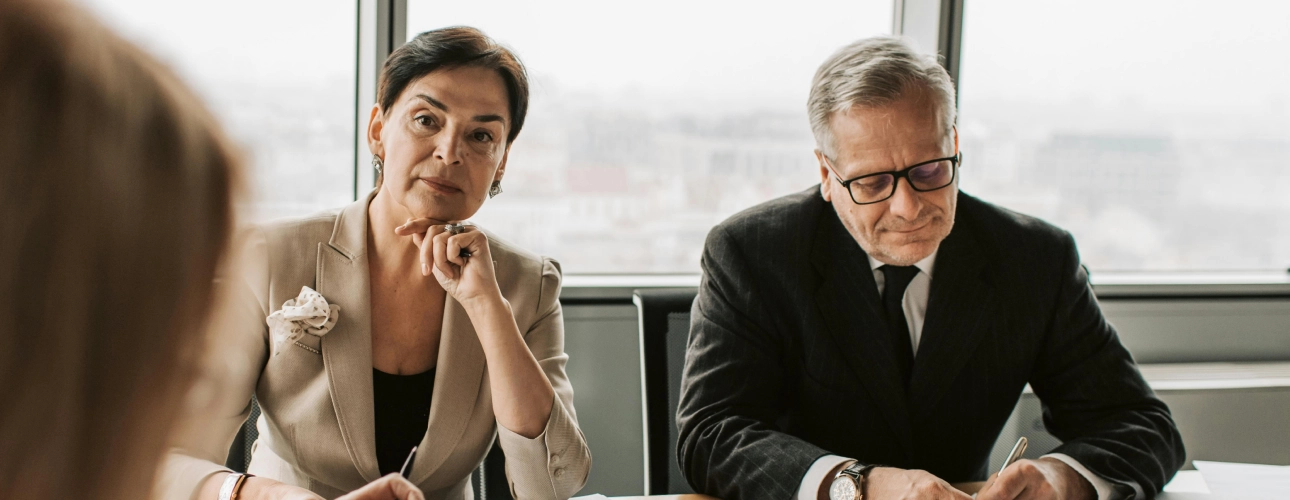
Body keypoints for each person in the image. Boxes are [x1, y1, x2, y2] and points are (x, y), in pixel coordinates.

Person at [676, 36, 1185, 500]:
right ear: (827, 175)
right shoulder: (752, 252)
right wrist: (857, 485)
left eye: (929, 170)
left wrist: (1061, 477)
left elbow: (1142, 426)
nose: (908, 207)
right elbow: (711, 434)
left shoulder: (1035, 259)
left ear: (955, 148)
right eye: (872, 182)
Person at [160, 26, 591, 500]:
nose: (450, 152)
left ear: (502, 161)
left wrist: (489, 309)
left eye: (481, 135)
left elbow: (552, 487)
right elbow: (169, 457)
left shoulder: (527, 285)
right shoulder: (269, 256)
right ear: (378, 130)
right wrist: (266, 496)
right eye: (426, 120)